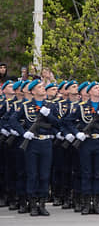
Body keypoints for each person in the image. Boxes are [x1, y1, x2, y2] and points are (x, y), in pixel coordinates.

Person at [7, 79, 62, 216]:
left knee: (44, 175)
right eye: (40, 87)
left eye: (43, 86)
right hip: (32, 143)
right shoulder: (25, 106)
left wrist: (47, 114)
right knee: (32, 174)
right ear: (32, 91)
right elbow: (12, 120)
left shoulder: (50, 105)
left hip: (46, 143)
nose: (43, 89)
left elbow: (58, 123)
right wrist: (23, 132)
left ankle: (42, 204)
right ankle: (32, 204)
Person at [62, 81, 99, 215]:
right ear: (89, 92)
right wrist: (76, 133)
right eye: (96, 88)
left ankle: (96, 203)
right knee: (86, 173)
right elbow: (67, 121)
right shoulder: (81, 107)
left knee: (98, 173)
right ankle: (86, 203)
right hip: (86, 142)